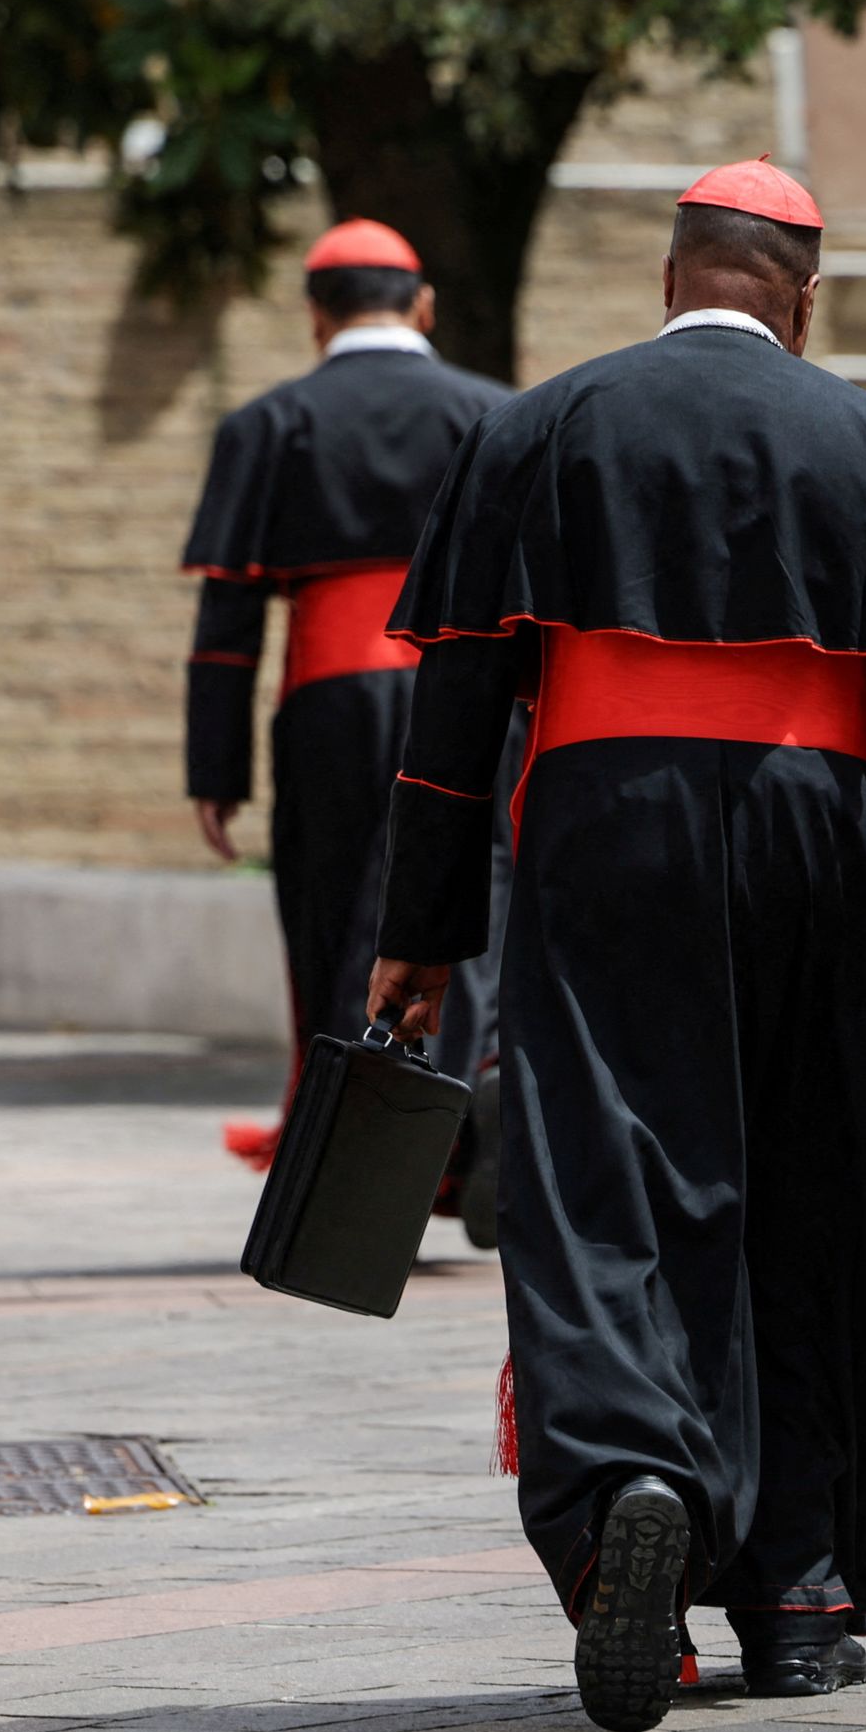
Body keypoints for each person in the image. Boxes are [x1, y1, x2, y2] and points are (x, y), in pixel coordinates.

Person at [366, 159, 866, 1732]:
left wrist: (421, 937)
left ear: (670, 279)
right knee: (810, 1190)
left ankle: (631, 1495)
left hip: (604, 823)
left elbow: (454, 718)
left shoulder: (536, 431)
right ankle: (799, 1599)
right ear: (804, 299)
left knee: (602, 1180)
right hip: (820, 829)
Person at [181, 219, 513, 1171]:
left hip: (328, 699)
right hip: (470, 693)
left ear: (315, 316)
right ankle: (474, 1096)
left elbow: (228, 617)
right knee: (476, 893)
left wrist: (217, 771)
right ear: (424, 306)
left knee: (336, 914)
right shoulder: (493, 415)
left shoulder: (267, 424)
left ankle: (354, 1145)